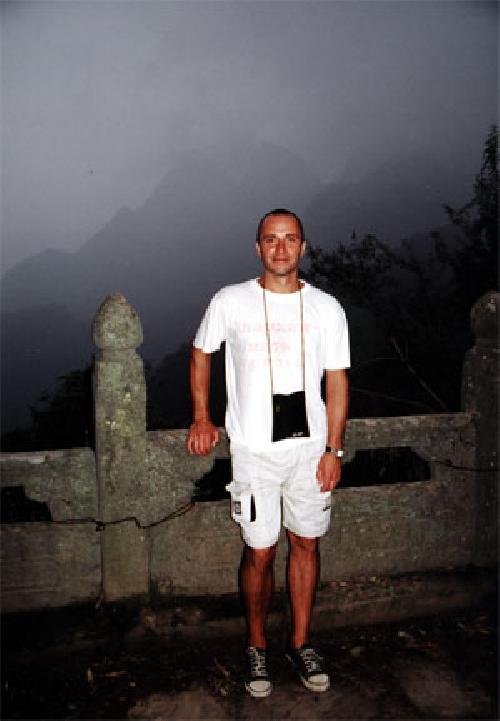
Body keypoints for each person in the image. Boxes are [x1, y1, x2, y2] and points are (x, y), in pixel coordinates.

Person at [187, 209, 349, 698]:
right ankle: (256, 645)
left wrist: (333, 449)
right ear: (258, 247)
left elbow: (337, 381)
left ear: (303, 246)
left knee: (307, 543)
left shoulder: (326, 308)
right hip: (254, 450)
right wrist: (201, 417)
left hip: (310, 451)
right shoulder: (230, 300)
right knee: (260, 550)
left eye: (290, 239)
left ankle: (300, 643)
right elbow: (201, 353)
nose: (280, 248)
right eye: (271, 239)